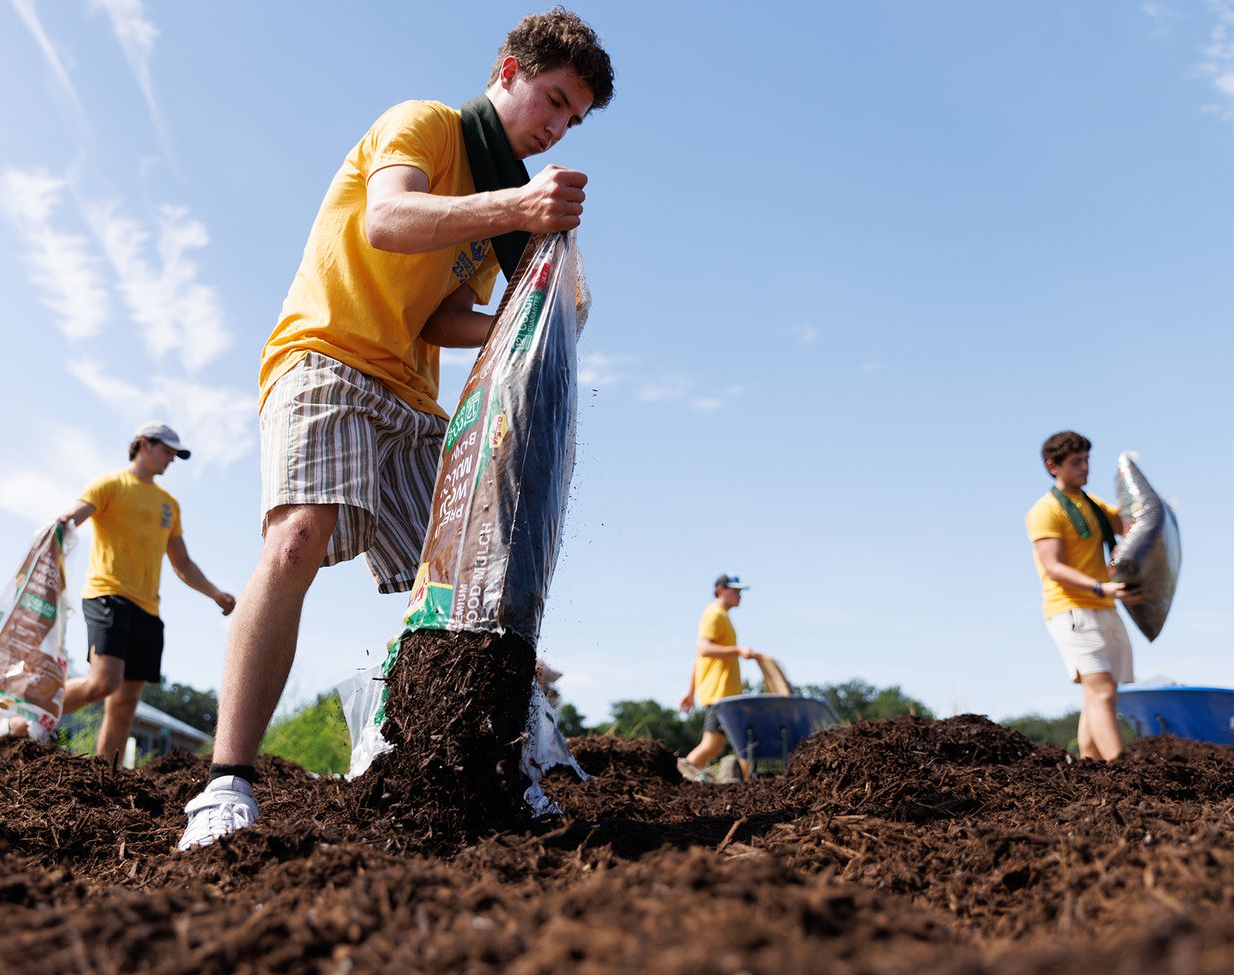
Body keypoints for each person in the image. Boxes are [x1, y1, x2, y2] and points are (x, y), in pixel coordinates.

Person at [177, 10, 615, 851]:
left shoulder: (497, 206)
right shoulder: (426, 125)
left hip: (411, 398)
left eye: (573, 119)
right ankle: (226, 784)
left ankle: (484, 763)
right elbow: (389, 222)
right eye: (552, 100)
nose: (555, 127)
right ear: (508, 70)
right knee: (298, 541)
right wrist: (519, 206)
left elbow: (449, 312)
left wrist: (536, 314)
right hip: (327, 356)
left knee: (465, 584)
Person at [54, 422, 236, 763]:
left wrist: (214, 593)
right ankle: (28, 715)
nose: (171, 459)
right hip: (107, 595)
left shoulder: (169, 504)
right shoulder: (110, 484)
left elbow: (181, 561)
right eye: (167, 451)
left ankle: (106, 778)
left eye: (175, 454)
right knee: (103, 683)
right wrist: (59, 527)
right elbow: (72, 518)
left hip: (148, 611)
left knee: (124, 704)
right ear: (143, 444)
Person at [1026, 430, 1142, 761]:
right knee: (1101, 690)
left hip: (1104, 607)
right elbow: (1053, 566)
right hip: (1072, 610)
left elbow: (1127, 524)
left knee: (1100, 696)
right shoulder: (1046, 510)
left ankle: (1087, 767)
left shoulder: (1092, 506)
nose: (1085, 468)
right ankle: (1121, 770)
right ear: (1053, 466)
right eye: (1076, 462)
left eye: (1087, 460)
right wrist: (1098, 586)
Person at [676, 574, 761, 782]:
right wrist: (739, 650)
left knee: (715, 744)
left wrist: (690, 691)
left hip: (721, 693)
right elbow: (703, 649)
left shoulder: (721, 616)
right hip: (721, 693)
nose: (739, 595)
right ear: (721, 590)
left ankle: (691, 777)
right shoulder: (715, 614)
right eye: (735, 591)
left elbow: (699, 657)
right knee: (735, 743)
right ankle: (682, 773)